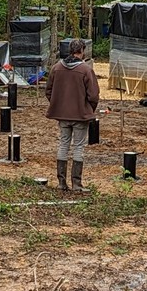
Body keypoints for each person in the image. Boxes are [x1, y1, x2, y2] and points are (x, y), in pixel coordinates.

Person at [44, 37, 101, 192]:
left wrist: (58, 104)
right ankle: (76, 184)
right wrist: (89, 108)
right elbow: (94, 95)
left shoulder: (56, 68)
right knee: (78, 147)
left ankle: (61, 183)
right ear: (82, 51)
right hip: (80, 116)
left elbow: (48, 91)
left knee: (63, 144)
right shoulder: (86, 70)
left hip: (62, 115)